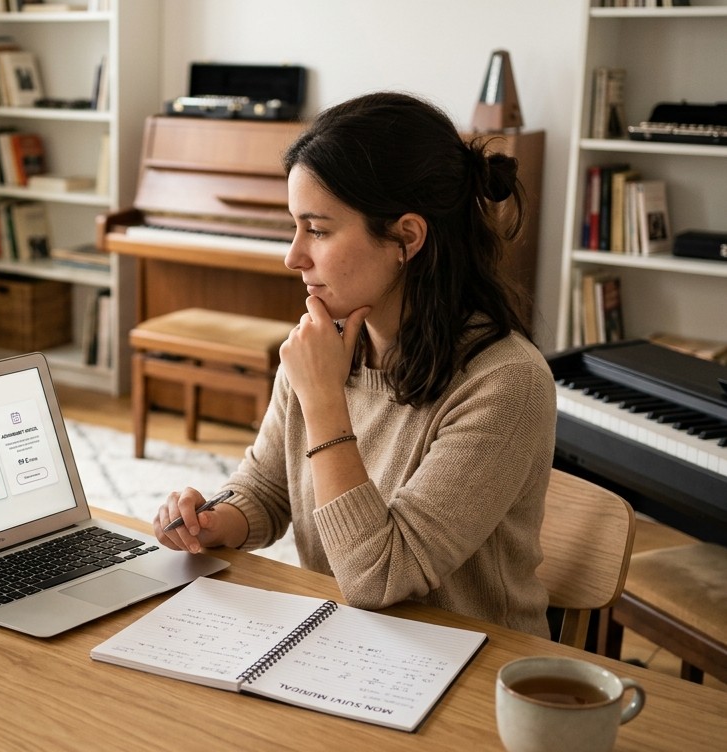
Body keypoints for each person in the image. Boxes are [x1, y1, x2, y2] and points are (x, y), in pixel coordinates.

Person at [154, 91, 556, 638]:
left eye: (317, 229)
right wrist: (212, 520)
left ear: (406, 237)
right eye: (295, 227)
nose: (293, 256)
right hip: (348, 643)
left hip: (474, 669)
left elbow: (381, 575)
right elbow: (270, 490)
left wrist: (323, 400)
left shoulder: (506, 383)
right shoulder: (326, 345)